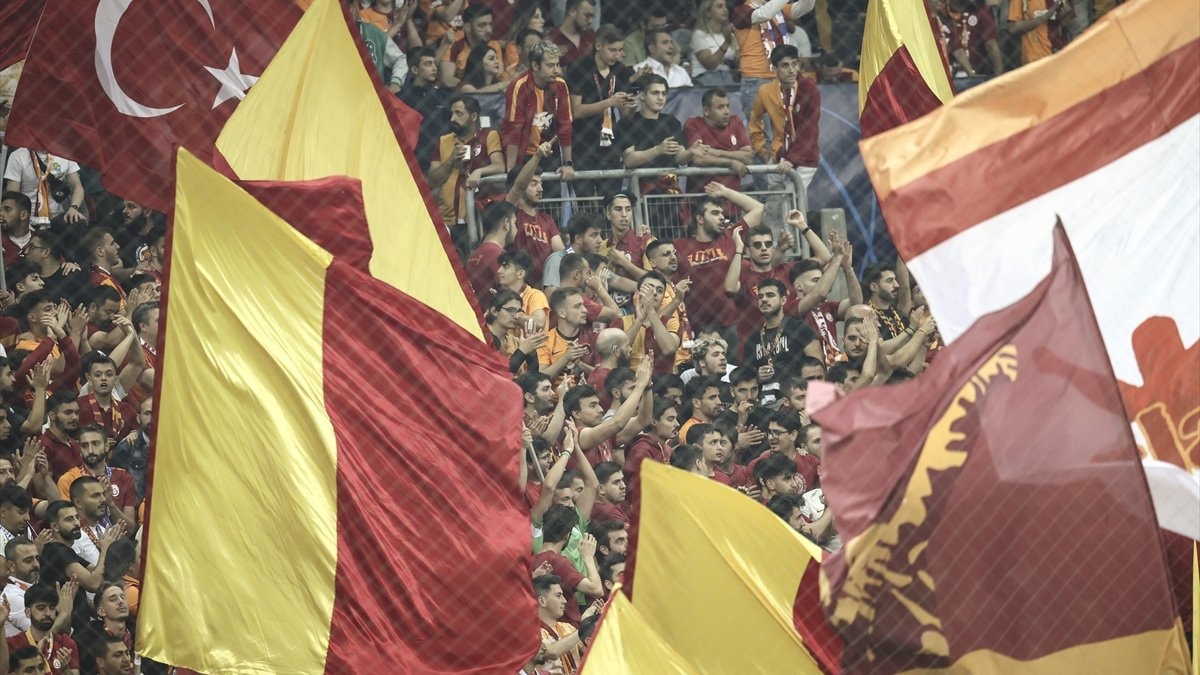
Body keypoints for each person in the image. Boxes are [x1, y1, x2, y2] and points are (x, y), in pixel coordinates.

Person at [673, 182, 765, 346]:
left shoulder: (730, 237)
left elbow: (758, 208)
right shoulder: (680, 246)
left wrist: (726, 192)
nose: (722, 217)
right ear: (700, 219)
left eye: (722, 213)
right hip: (695, 327)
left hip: (729, 325)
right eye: (715, 213)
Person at [749, 44, 819, 228]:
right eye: (785, 65)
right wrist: (762, 150)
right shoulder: (766, 91)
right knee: (772, 209)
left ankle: (796, 246)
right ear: (774, 69)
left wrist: (792, 159)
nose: (791, 70)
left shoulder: (808, 88)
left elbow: (809, 129)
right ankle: (774, 245)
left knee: (792, 207)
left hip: (804, 159)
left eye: (794, 64)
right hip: (778, 156)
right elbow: (755, 120)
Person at [566, 25, 639, 198]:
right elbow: (576, 111)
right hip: (582, 143)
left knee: (611, 198)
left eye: (620, 50)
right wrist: (609, 102)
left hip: (609, 144)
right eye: (612, 50)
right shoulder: (579, 67)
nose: (617, 55)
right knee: (586, 201)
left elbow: (625, 115)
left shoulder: (621, 71)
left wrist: (632, 105)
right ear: (598, 46)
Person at [428, 95, 505, 255]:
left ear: (474, 116)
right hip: (447, 220)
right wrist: (451, 160)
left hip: (476, 219)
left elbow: (499, 166)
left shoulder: (488, 135)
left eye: (459, 113)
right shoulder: (444, 141)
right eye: (452, 113)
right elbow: (432, 181)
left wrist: (479, 171)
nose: (453, 118)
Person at [788, 226, 862, 365]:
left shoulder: (826, 306)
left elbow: (856, 303)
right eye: (816, 280)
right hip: (812, 368)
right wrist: (837, 257)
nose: (822, 283)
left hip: (837, 365)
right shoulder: (790, 307)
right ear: (799, 286)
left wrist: (848, 269)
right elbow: (819, 294)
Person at [741, 278, 821, 406]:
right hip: (765, 406)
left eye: (770, 295)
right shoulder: (752, 339)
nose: (764, 300)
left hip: (798, 402)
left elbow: (818, 368)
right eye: (760, 297)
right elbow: (745, 380)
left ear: (783, 300)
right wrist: (757, 377)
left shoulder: (799, 328)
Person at [501, 40, 575, 177]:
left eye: (557, 64)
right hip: (523, 154)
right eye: (550, 65)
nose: (556, 70)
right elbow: (514, 130)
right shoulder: (519, 86)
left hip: (549, 152)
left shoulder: (560, 85)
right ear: (535, 65)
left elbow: (565, 125)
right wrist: (511, 170)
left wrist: (568, 164)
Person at [732, 0, 816, 115]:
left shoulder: (775, 7)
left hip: (781, 80)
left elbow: (804, 7)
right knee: (761, 127)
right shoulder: (740, 11)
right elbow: (763, 14)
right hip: (757, 80)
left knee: (782, 127)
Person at [617, 75, 697, 195]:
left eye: (664, 94)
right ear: (642, 95)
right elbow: (629, 160)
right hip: (642, 189)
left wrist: (691, 152)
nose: (661, 98)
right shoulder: (629, 123)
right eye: (655, 93)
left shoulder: (671, 122)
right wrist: (657, 150)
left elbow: (680, 157)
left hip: (671, 187)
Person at [531, 507, 604, 626]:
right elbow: (596, 590)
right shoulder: (556, 561)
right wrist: (588, 557)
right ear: (567, 535)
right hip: (566, 628)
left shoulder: (532, 560)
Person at [505, 143, 564, 286]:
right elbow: (519, 186)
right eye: (533, 184)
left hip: (545, 286)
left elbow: (560, 252)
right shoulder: (510, 213)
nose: (541, 189)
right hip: (518, 286)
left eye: (541, 183)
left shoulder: (547, 219)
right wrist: (537, 156)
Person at [58, 432, 138, 535]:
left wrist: (111, 504)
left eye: (95, 444)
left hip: (118, 541)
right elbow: (67, 525)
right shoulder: (68, 479)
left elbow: (130, 530)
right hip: (84, 541)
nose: (90, 450)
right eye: (85, 445)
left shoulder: (124, 477)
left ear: (106, 446)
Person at [683, 89, 753, 193]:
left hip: (732, 197)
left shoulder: (735, 122)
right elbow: (699, 158)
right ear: (706, 111)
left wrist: (717, 152)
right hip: (702, 196)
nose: (727, 111)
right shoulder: (693, 124)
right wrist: (731, 163)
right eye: (721, 107)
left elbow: (748, 157)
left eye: (727, 106)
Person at [4, 583, 80, 674]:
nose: (48, 613)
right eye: (41, 608)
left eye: (52, 608)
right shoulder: (13, 644)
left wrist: (65, 669)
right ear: (28, 612)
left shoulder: (65, 643)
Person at [3, 149, 85, 227]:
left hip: (57, 217)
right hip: (27, 219)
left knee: (78, 223)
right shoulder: (18, 156)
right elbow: (12, 197)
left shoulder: (64, 153)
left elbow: (78, 187)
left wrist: (73, 208)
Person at [622, 397, 678, 506]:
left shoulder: (667, 449)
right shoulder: (641, 451)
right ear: (653, 421)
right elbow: (639, 494)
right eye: (670, 419)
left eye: (675, 418)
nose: (677, 424)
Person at [621, 272, 681, 374]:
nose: (654, 293)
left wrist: (650, 311)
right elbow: (619, 351)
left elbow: (669, 348)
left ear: (663, 298)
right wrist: (639, 320)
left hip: (662, 380)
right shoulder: (621, 321)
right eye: (649, 288)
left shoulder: (671, 322)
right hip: (628, 379)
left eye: (660, 291)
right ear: (637, 294)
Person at [441, 4, 511, 88]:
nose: (489, 30)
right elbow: (447, 80)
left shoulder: (493, 45)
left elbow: (498, 75)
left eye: (490, 24)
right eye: (482, 25)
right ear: (467, 27)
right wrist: (470, 87)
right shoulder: (454, 44)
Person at [748, 408, 819, 489]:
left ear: (793, 435)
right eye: (770, 433)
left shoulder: (812, 462)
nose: (771, 438)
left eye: (777, 433)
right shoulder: (756, 465)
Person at [465, 201, 517, 307]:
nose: (517, 229)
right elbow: (513, 296)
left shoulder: (474, 255)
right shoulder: (499, 256)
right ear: (506, 223)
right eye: (515, 223)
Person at [538, 288, 598, 380]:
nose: (585, 310)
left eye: (583, 305)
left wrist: (580, 364)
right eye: (577, 306)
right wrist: (566, 358)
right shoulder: (545, 340)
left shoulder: (593, 338)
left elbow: (603, 377)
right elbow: (541, 378)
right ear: (562, 313)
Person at [76, 357, 135, 443]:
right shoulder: (78, 406)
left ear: (115, 380)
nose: (103, 378)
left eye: (109, 374)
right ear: (89, 379)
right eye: (98, 375)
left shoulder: (127, 410)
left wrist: (135, 433)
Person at [533, 574, 585, 674]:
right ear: (542, 601)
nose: (564, 601)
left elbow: (590, 651)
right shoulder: (532, 633)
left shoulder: (568, 627)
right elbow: (553, 652)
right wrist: (583, 628)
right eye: (558, 595)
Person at [486, 290, 544, 376]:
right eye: (511, 310)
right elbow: (499, 374)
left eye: (518, 311)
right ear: (494, 311)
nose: (516, 316)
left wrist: (531, 351)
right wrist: (522, 351)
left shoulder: (515, 341)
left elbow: (534, 377)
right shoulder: (482, 337)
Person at [939, 0, 1004, 77]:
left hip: (982, 65)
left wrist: (999, 73)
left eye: (959, 12)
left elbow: (991, 43)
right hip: (956, 68)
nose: (956, 17)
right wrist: (971, 75)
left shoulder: (980, 11)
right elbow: (957, 50)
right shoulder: (943, 17)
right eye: (953, 11)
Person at [497, 250, 550, 331]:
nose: (499, 271)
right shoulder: (500, 297)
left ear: (520, 274)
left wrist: (509, 313)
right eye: (500, 266)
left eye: (506, 267)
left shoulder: (535, 295)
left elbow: (539, 323)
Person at [110, 397, 151, 503]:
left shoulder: (174, 446)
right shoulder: (126, 448)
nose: (152, 418)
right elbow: (117, 489)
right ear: (138, 418)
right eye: (147, 413)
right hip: (137, 509)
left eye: (156, 413)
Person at [691, 0, 740, 86]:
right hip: (705, 78)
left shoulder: (728, 34)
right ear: (708, 13)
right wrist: (727, 43)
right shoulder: (699, 35)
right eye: (719, 7)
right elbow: (710, 65)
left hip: (727, 77)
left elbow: (739, 62)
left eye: (725, 6)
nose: (725, 10)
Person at [1007, 0, 1071, 65]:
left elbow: (1070, 24)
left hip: (1060, 53)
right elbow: (1013, 28)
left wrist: (1064, 16)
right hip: (1036, 56)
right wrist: (1044, 17)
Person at [40, 392, 83, 481]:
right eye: (68, 413)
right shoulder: (44, 445)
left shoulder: (74, 442)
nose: (74, 417)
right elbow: (42, 487)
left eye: (77, 413)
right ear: (52, 415)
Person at [2, 536, 39, 636]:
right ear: (11, 566)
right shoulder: (11, 596)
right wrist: (65, 611)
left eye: (37, 558)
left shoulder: (36, 586)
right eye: (28, 560)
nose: (36, 564)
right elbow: (41, 634)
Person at [549, 0, 598, 68]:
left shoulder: (591, 35)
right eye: (587, 16)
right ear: (573, 11)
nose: (590, 21)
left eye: (592, 17)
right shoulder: (552, 39)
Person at [677, 376, 725, 443]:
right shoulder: (688, 430)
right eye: (712, 398)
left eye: (718, 397)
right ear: (696, 402)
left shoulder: (719, 424)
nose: (719, 402)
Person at [0, 192, 34, 268]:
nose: (1, 214)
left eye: (7, 210)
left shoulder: (40, 241)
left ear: (23, 215)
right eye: (0, 210)